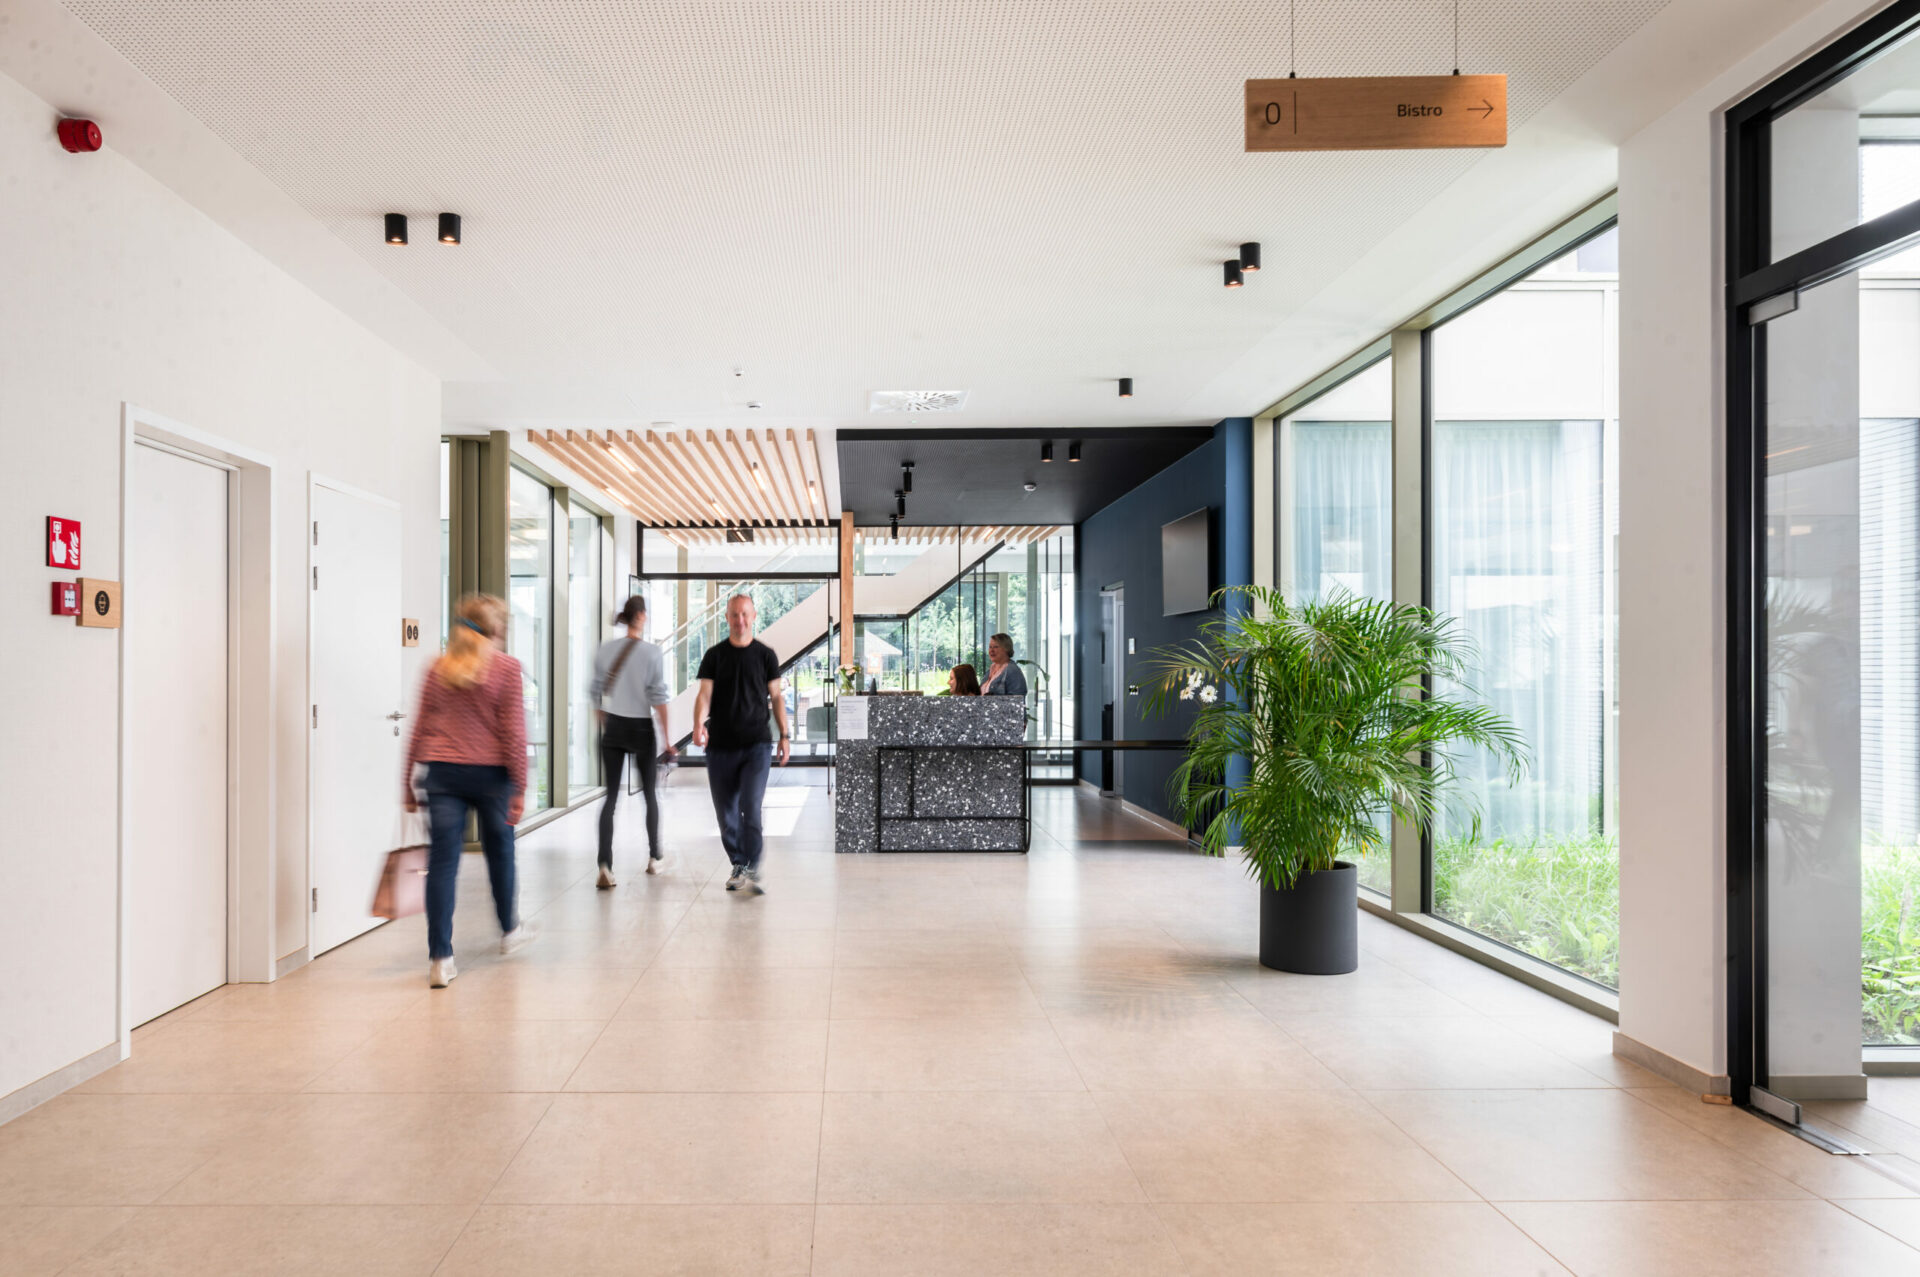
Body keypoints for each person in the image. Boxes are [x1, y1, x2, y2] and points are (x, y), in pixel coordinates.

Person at [402, 593, 535, 988]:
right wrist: (520, 786)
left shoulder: (437, 668)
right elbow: (514, 733)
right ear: (495, 629)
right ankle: (510, 930)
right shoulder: (506, 668)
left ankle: (440, 959)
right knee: (501, 853)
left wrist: (406, 780)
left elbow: (419, 728)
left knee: (443, 864)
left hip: (442, 777)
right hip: (492, 778)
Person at [691, 594, 789, 894]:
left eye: (745, 614)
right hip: (720, 746)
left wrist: (784, 735)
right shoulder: (714, 655)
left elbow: (776, 697)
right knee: (726, 814)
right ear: (727, 618)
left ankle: (753, 866)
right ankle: (739, 862)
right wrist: (698, 724)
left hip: (756, 745)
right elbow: (704, 695)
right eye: (734, 614)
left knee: (751, 805)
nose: (740, 620)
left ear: (754, 616)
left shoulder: (765, 655)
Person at [591, 594, 677, 888]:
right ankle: (655, 858)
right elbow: (658, 698)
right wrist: (667, 739)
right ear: (641, 616)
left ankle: (605, 866)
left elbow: (594, 691)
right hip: (641, 727)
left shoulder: (605, 650)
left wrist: (603, 720)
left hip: (614, 726)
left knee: (610, 798)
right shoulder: (651, 653)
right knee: (650, 795)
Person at [980, 633, 1028, 698]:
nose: (991, 650)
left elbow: (1017, 699)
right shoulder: (990, 670)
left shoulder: (1012, 670)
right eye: (990, 647)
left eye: (995, 647)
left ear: (1006, 648)